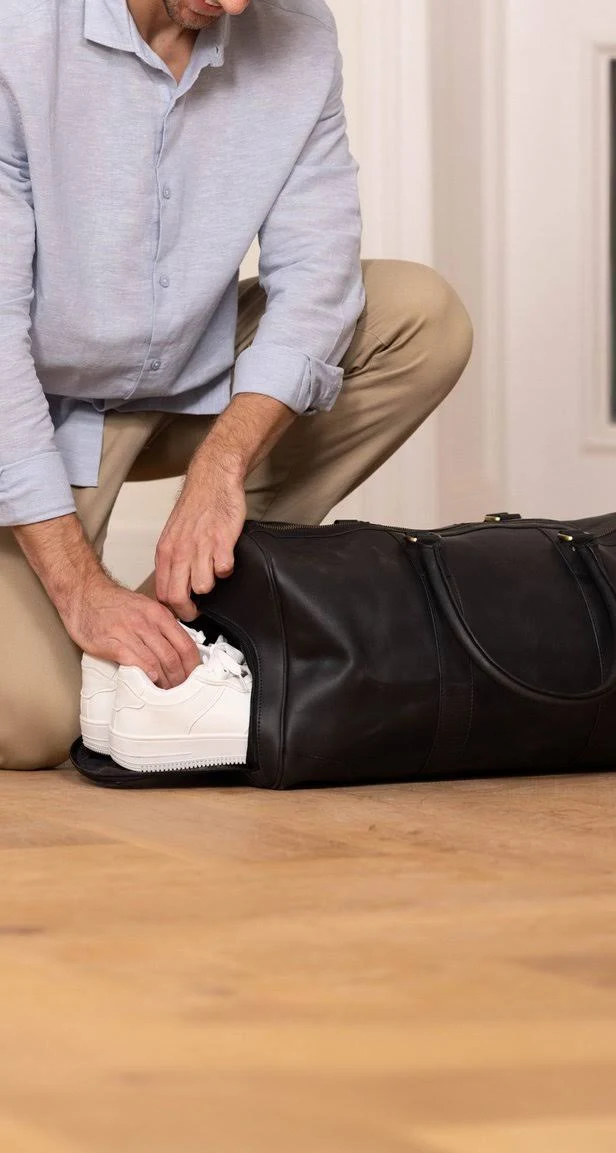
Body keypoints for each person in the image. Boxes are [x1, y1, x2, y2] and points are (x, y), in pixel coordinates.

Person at [0, 0, 473, 771]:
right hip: (32, 402)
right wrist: (79, 589)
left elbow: (318, 272)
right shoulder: (16, 30)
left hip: (193, 375)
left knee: (423, 318)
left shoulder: (297, 31)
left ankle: (196, 601)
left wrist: (223, 463)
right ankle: (97, 621)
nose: (234, 6)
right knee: (31, 722)